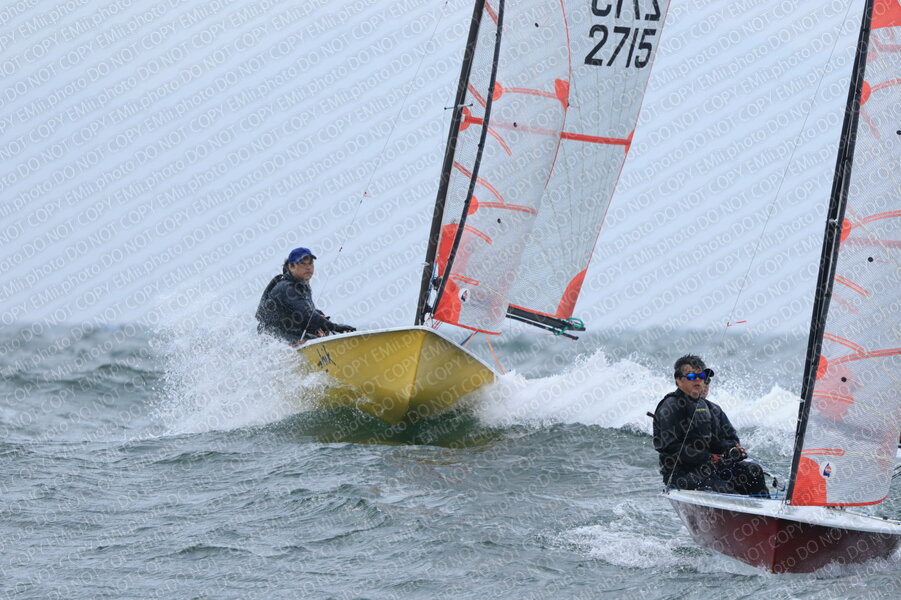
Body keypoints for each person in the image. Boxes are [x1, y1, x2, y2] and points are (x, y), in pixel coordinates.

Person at [652, 354, 769, 497]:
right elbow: (670, 447)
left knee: (753, 470)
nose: (698, 380)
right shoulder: (670, 407)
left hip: (713, 469)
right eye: (691, 376)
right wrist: (707, 458)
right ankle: (739, 508)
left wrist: (731, 451)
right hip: (682, 475)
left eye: (701, 376)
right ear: (679, 380)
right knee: (724, 490)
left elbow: (725, 440)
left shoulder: (710, 408)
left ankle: (765, 508)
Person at [255, 247, 356, 344]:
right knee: (316, 327)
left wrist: (322, 318)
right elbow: (308, 315)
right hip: (274, 338)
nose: (308, 267)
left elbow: (307, 311)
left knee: (320, 323)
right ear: (291, 267)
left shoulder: (302, 285)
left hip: (291, 332)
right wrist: (337, 327)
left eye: (310, 263)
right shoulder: (287, 288)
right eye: (303, 263)